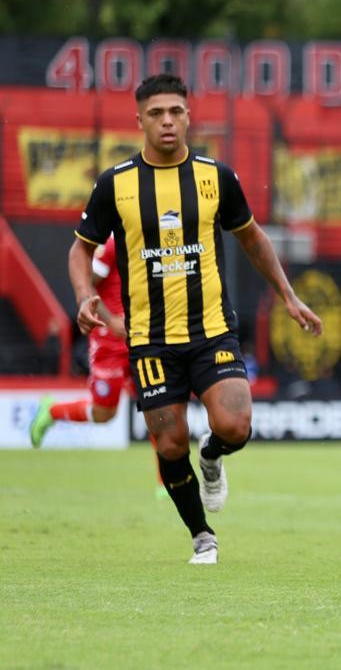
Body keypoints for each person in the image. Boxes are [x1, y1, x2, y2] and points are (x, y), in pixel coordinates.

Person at [69, 73, 323, 564]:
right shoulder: (115, 184)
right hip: (150, 338)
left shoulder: (216, 177)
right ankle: (201, 536)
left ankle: (212, 457)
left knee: (235, 424)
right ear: (140, 119)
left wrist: (288, 296)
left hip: (211, 330)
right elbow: (80, 252)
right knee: (168, 443)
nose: (168, 121)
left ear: (189, 115)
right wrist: (85, 295)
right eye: (157, 113)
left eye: (176, 112)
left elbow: (253, 239)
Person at [30, 236, 168, 496]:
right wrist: (112, 320)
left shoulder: (152, 234)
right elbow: (89, 287)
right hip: (109, 342)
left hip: (142, 339)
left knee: (157, 405)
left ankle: (165, 482)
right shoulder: (114, 241)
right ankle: (53, 411)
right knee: (104, 413)